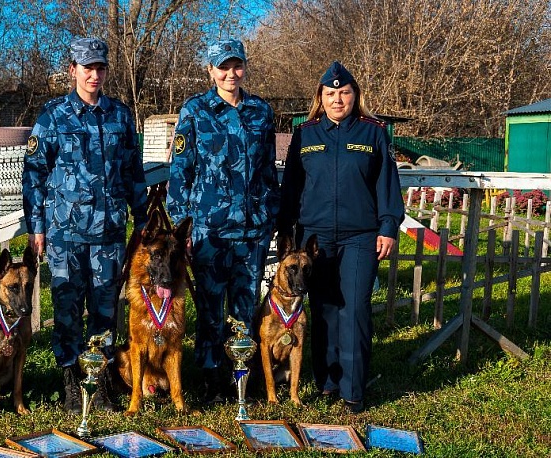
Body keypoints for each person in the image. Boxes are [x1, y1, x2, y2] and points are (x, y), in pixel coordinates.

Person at [22, 37, 148, 414]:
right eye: (87, 67)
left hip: (108, 233)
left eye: (100, 67)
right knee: (66, 309)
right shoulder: (52, 115)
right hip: (65, 234)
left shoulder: (120, 115)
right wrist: (36, 226)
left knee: (105, 309)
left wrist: (141, 220)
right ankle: (71, 384)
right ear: (73, 69)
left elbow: (133, 173)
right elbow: (34, 174)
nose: (94, 74)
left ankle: (102, 384)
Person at [277, 61, 404, 413]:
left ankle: (354, 389)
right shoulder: (306, 133)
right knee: (324, 307)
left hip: (361, 236)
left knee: (356, 309)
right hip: (314, 238)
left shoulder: (372, 132)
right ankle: (327, 383)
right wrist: (285, 228)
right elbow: (292, 186)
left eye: (344, 93)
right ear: (320, 97)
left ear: (355, 95)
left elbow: (387, 185)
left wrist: (388, 226)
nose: (337, 100)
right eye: (330, 94)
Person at [166, 38, 280, 403]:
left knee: (245, 307)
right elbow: (180, 173)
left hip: (252, 229)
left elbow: (267, 170)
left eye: (237, 65)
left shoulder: (261, 111)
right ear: (211, 70)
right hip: (209, 230)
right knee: (212, 310)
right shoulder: (196, 111)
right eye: (223, 66)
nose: (231, 73)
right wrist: (181, 230)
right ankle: (212, 378)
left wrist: (271, 214)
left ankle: (242, 378)